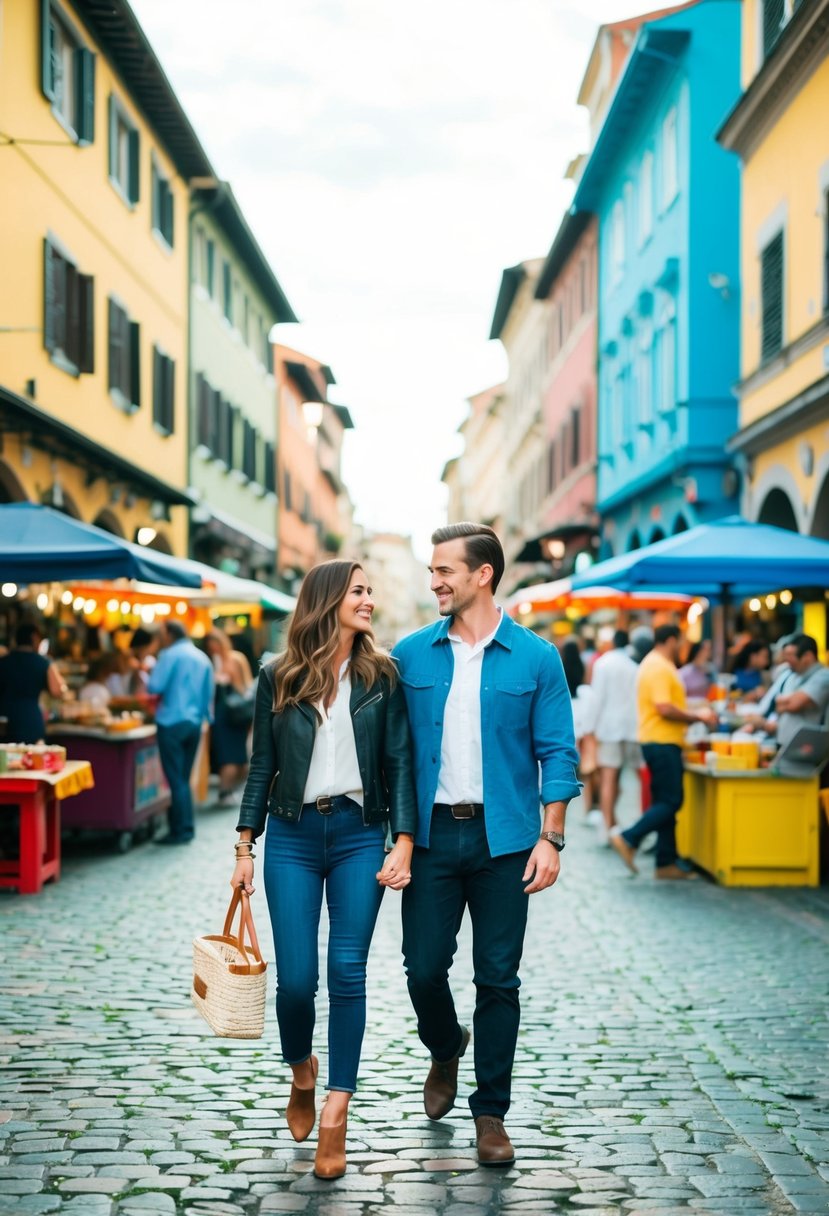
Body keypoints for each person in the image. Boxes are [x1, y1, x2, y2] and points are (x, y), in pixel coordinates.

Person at [392, 523, 580, 1168]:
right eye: (432, 571)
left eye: (446, 570)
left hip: (506, 840)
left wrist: (550, 837)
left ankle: (491, 1112)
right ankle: (446, 1048)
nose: (435, 581)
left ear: (483, 575)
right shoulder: (410, 655)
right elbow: (389, 751)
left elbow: (557, 751)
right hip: (432, 837)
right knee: (422, 969)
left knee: (498, 979)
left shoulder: (536, 658)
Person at [232, 561, 416, 1181]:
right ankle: (302, 1070)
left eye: (370, 589)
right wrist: (243, 847)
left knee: (347, 970)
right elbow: (263, 765)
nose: (370, 599)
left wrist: (404, 840)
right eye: (360, 590)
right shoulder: (277, 675)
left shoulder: (380, 676)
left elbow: (398, 762)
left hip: (360, 835)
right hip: (292, 835)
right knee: (295, 982)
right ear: (329, 599)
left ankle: (337, 1108)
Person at [609, 624, 717, 880]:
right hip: (661, 741)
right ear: (670, 640)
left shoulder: (655, 664)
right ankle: (629, 837)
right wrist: (696, 717)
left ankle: (666, 862)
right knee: (671, 801)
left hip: (659, 740)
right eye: (679, 642)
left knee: (664, 801)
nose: (681, 647)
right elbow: (664, 707)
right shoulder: (658, 666)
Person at [148, 620, 214, 845]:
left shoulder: (169, 655)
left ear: (168, 633)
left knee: (176, 780)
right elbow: (208, 694)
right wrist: (206, 719)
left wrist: (146, 672)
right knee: (183, 779)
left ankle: (180, 830)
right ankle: (184, 828)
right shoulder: (202, 657)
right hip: (194, 723)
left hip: (171, 722)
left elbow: (155, 686)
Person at [591, 629, 641, 842]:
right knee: (636, 778)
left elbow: (597, 698)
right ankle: (633, 824)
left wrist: (590, 729)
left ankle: (608, 827)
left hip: (609, 728)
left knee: (608, 780)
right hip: (631, 727)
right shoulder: (634, 666)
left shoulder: (603, 664)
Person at [749, 634, 829, 749]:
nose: (786, 660)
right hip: (783, 743)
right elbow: (779, 704)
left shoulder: (824, 675)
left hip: (807, 748)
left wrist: (786, 703)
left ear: (808, 656)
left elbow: (793, 704)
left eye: (791, 655)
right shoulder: (792, 674)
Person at [205, 630, 254, 804]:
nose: (214, 649)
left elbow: (245, 684)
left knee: (236, 756)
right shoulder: (215, 661)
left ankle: (227, 790)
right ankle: (225, 791)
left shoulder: (235, 658)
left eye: (216, 645)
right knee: (229, 755)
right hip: (224, 715)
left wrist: (225, 679)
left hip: (235, 712)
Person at [0, 622, 67, 742]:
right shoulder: (43, 662)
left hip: (4, 719)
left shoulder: (4, 661)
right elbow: (57, 691)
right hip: (30, 719)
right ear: (34, 637)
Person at [561, 638, 598, 815]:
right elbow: (590, 718)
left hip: (564, 735)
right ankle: (588, 807)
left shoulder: (559, 683)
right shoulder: (586, 692)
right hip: (583, 735)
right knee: (588, 774)